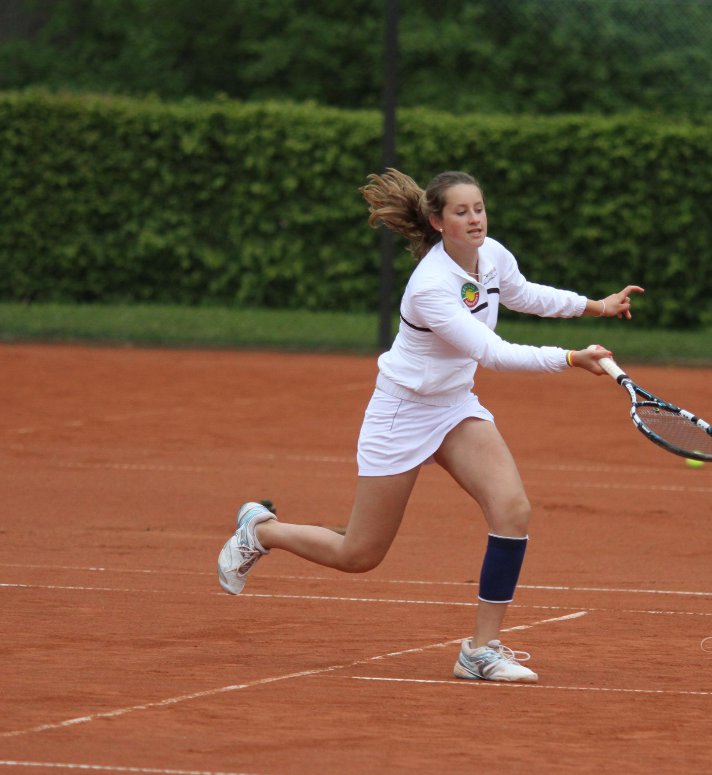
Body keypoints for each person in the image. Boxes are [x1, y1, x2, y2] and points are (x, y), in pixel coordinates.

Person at [218, 168, 643, 683]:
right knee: (359, 554)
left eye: (479, 209)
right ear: (438, 222)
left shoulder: (493, 256)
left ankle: (480, 651)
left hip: (454, 406)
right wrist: (572, 358)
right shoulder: (430, 286)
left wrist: (596, 306)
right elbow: (493, 352)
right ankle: (262, 530)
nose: (474, 219)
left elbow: (525, 294)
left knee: (512, 511)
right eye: (461, 212)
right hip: (401, 412)